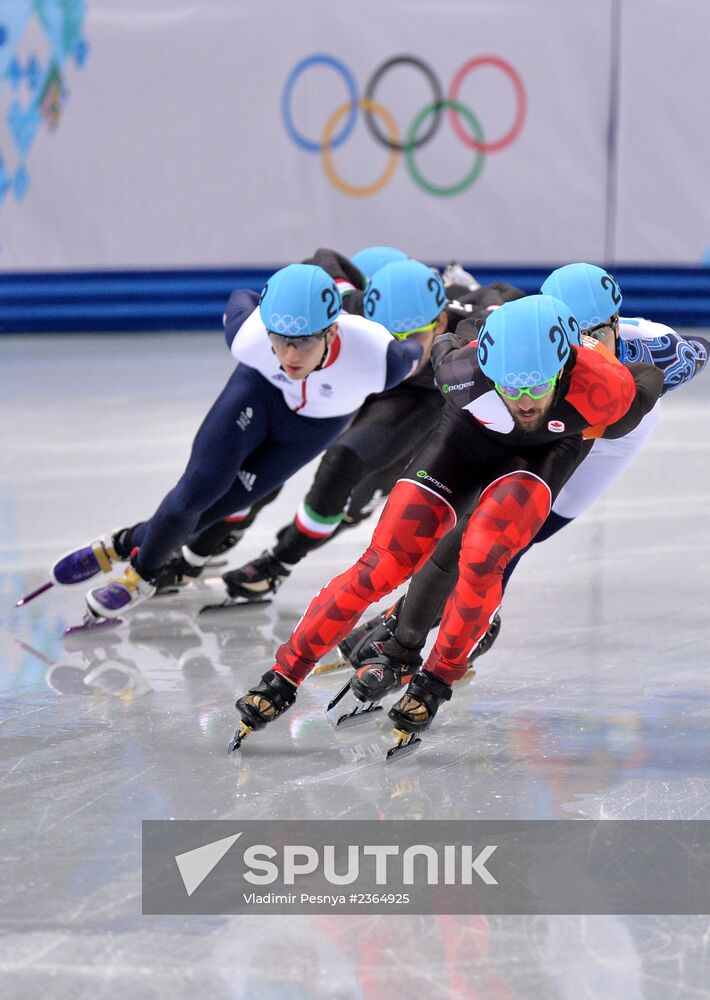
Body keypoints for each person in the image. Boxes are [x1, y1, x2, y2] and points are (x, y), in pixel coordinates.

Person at [229, 292, 664, 755]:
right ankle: (283, 674)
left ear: (562, 368)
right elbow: (450, 339)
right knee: (383, 563)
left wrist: (612, 367)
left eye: (535, 386)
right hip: (464, 439)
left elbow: (651, 377)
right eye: (509, 388)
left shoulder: (606, 389)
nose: (523, 403)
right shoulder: (460, 372)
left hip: (543, 455)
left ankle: (435, 680)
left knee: (482, 555)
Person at [337, 262, 710, 686]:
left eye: (596, 336)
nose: (584, 347)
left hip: (609, 435)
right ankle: (417, 616)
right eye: (573, 338)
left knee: (524, 533)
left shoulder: (657, 347)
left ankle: (462, 615)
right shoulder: (526, 331)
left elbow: (696, 351)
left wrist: (634, 388)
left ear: (617, 323)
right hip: (544, 417)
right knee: (477, 523)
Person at [45, 262, 435, 621]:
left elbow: (420, 341)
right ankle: (139, 578)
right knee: (197, 491)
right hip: (257, 393)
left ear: (333, 330)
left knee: (220, 507)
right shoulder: (247, 335)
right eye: (279, 340)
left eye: (302, 342)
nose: (289, 355)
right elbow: (242, 298)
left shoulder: (382, 359)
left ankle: (120, 543)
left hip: (312, 428)